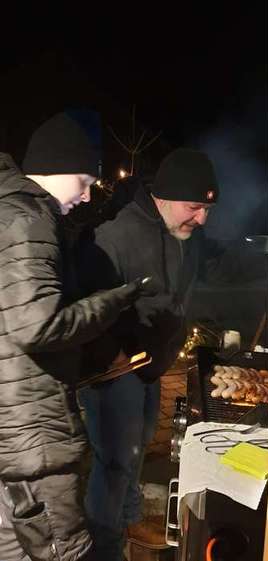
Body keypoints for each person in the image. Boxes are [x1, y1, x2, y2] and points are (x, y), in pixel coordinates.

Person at [0, 113, 152, 561]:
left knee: (14, 546)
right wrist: (115, 300)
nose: (86, 195)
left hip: (14, 427)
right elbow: (37, 325)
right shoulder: (28, 219)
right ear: (54, 169)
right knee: (64, 549)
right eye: (83, 180)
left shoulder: (7, 212)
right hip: (34, 433)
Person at [77, 148, 218, 560]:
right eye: (195, 207)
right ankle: (104, 548)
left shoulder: (182, 234)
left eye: (208, 209)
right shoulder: (115, 235)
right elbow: (88, 306)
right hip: (114, 370)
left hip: (149, 368)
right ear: (165, 196)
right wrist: (113, 355)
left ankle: (127, 524)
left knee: (134, 457)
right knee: (115, 463)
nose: (202, 219)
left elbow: (177, 294)